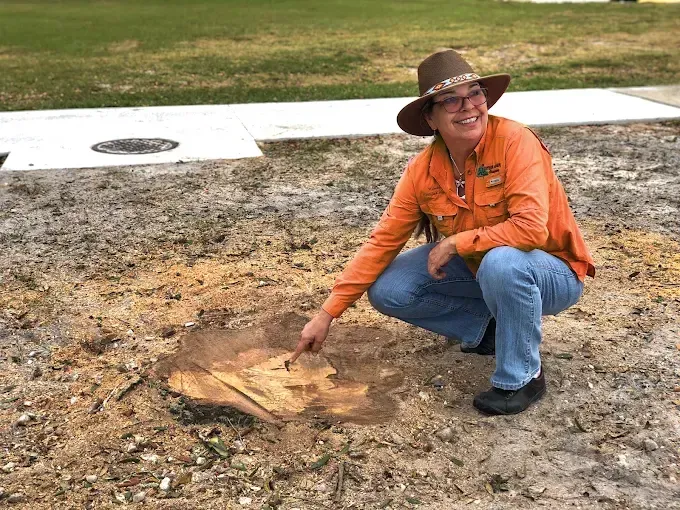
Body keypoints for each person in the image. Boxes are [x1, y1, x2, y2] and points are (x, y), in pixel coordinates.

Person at [290, 49, 595, 415]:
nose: (468, 107)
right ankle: (489, 331)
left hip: (551, 272)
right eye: (451, 100)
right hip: (483, 269)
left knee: (502, 262)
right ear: (430, 118)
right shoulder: (422, 170)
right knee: (391, 289)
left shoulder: (516, 141)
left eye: (475, 94)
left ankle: (523, 377)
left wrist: (455, 242)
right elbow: (382, 241)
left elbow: (530, 230)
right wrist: (326, 315)